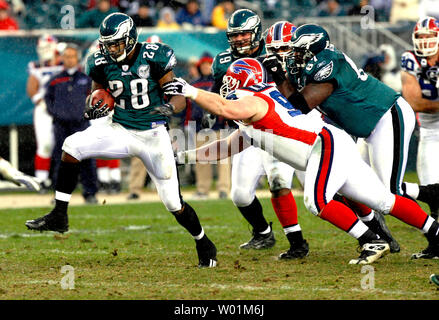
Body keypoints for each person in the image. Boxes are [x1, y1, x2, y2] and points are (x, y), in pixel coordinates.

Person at [157, 57, 439, 264]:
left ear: (240, 80)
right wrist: (183, 156)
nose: (225, 86)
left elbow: (224, 107)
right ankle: (436, 233)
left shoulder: (254, 101)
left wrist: (192, 92)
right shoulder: (257, 108)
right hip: (329, 143)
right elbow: (226, 147)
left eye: (229, 81)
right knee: (383, 200)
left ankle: (371, 240)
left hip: (323, 145)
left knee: (315, 201)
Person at [25, 13, 217, 268]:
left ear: (131, 38)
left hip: (152, 133)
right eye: (108, 43)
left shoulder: (155, 56)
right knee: (71, 145)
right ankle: (60, 214)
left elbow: (177, 95)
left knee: (173, 202)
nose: (111, 48)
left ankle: (202, 240)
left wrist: (170, 108)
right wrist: (96, 103)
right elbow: (97, 91)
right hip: (119, 127)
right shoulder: (99, 61)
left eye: (116, 43)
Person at [267, 23, 439, 258]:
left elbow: (300, 105)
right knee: (364, 190)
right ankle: (381, 235)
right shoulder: (308, 63)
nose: (294, 55)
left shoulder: (326, 63)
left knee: (390, 190)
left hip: (386, 115)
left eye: (299, 50)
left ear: (313, 50)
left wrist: (278, 77)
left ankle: (432, 199)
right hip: (367, 128)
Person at [210, 13, 309, 260]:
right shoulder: (223, 61)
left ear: (256, 32)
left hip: (279, 129)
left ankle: (298, 242)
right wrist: (210, 112)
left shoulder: (276, 52)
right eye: (235, 35)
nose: (240, 39)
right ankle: (263, 232)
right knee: (240, 195)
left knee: (300, 187)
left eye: (244, 33)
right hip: (248, 132)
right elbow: (216, 93)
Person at [45, 43, 98, 204]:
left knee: (86, 158)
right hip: (61, 126)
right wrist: (56, 114)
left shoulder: (86, 79)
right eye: (66, 56)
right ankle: (59, 194)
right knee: (60, 159)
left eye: (72, 56)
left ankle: (90, 193)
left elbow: (94, 97)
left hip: (81, 125)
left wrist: (85, 114)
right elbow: (48, 100)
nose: (69, 59)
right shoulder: (54, 80)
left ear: (78, 58)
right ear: (61, 58)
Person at [400, 17, 439, 221]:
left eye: (430, 36)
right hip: (430, 131)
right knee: (431, 189)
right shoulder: (411, 58)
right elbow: (414, 102)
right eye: (421, 36)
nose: (425, 40)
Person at [184, 53, 231, 199]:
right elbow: (189, 107)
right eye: (203, 65)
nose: (206, 67)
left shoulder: (219, 83)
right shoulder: (194, 84)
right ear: (199, 66)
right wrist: (187, 123)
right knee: (202, 159)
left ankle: (223, 188)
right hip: (200, 127)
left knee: (223, 160)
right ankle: (203, 189)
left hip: (218, 126)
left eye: (208, 65)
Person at [26, 34, 64, 192]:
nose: (45, 51)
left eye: (48, 47)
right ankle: (41, 181)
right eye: (42, 48)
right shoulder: (36, 65)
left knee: (66, 145)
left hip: (63, 108)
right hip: (44, 109)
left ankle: (63, 180)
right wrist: (41, 102)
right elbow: (32, 88)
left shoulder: (64, 62)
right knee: (45, 145)